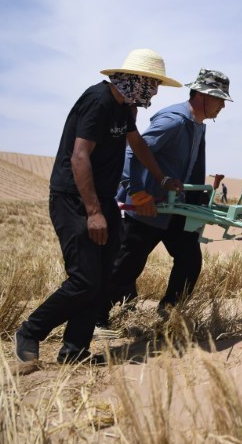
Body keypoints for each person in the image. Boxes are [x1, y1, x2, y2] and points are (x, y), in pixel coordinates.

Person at [15, 49, 182, 365]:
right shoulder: (99, 101)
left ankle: (74, 351)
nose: (155, 92)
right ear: (136, 80)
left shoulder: (123, 108)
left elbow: (138, 145)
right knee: (84, 280)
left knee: (103, 279)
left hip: (101, 199)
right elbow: (79, 157)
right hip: (74, 199)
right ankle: (30, 332)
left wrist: (161, 179)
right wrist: (93, 212)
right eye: (153, 83)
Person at [100, 68, 232, 326]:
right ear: (203, 95)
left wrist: (197, 202)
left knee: (189, 260)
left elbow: (191, 170)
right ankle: (95, 317)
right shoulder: (173, 121)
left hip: (175, 209)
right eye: (220, 98)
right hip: (148, 208)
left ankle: (169, 312)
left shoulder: (197, 126)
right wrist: (136, 191)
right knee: (126, 267)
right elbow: (133, 152)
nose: (223, 106)